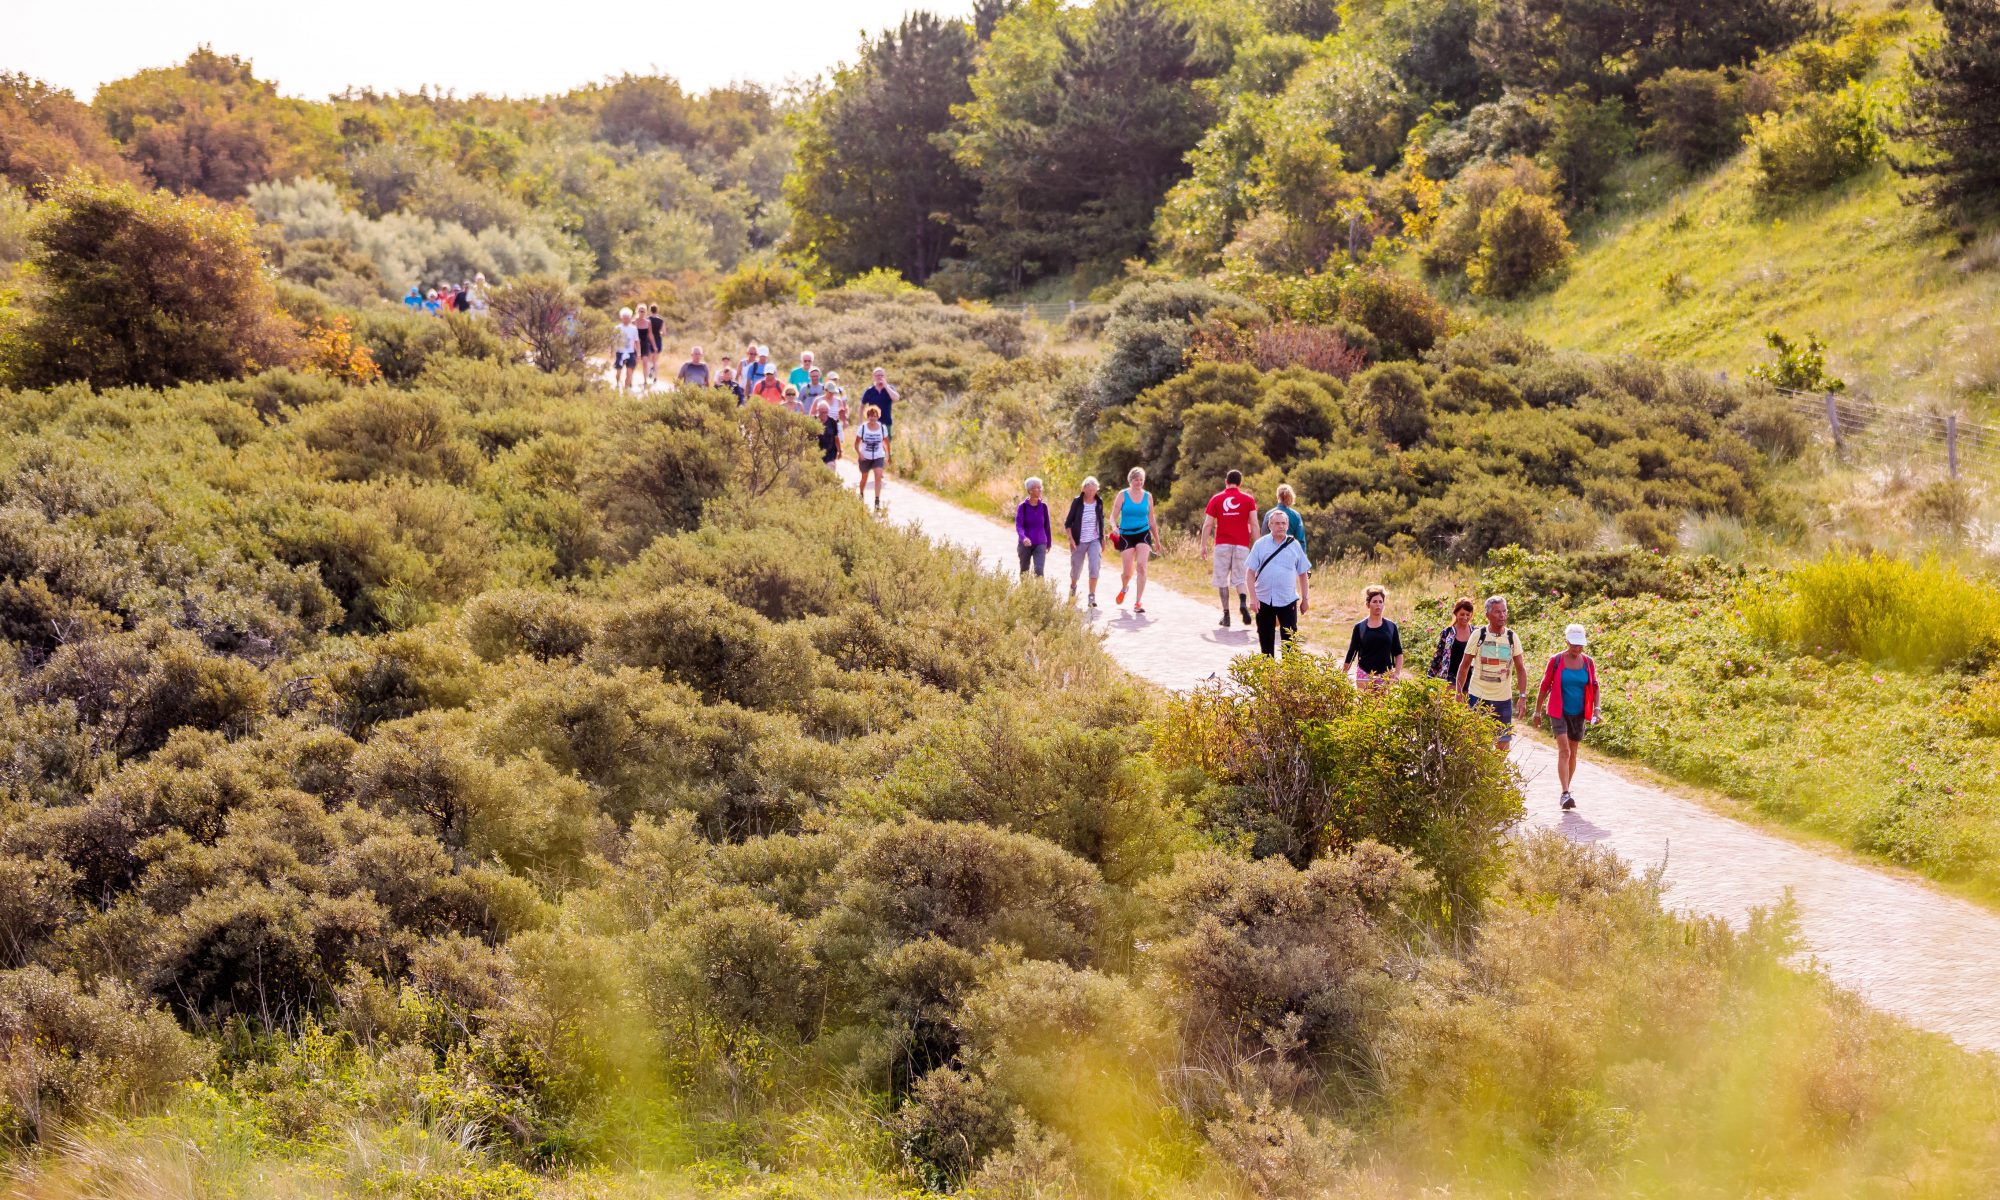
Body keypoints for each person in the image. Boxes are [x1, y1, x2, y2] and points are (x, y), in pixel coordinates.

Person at [1536, 624, 1600, 810]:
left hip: (1579, 712)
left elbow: (1595, 687)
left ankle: (1566, 790)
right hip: (1559, 710)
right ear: (1567, 642)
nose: (1577, 648)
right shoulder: (1556, 660)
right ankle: (1565, 793)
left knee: (1573, 752)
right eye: (1573, 645)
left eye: (1580, 645)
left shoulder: (1588, 662)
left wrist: (1597, 709)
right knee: (1564, 750)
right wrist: (1537, 711)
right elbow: (1545, 686)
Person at [1454, 594, 1529, 751]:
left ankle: (1495, 775)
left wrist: (1522, 697)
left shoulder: (1511, 637)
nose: (1502, 615)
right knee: (1477, 743)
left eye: (1504, 611)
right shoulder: (1478, 635)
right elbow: (1465, 665)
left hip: (1503, 700)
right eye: (1497, 612)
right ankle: (1479, 775)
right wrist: (1459, 694)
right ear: (1487, 615)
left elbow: (1521, 669)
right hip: (1478, 697)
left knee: (1503, 745)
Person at [1246, 510, 1312, 657]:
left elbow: (1303, 573)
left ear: (1287, 525)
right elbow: (1250, 573)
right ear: (1270, 525)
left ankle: (1289, 677)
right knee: (1266, 644)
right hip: (1264, 600)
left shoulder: (1294, 545)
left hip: (1287, 600)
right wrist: (1253, 598)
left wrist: (1305, 599)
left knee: (1290, 644)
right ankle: (1269, 677)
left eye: (1283, 523)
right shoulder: (1260, 545)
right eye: (1277, 523)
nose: (1281, 526)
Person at [1201, 470, 1259, 628]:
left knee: (1222, 580)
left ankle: (1226, 615)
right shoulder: (1248, 499)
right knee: (1240, 578)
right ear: (1240, 483)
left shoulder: (1217, 498)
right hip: (1242, 544)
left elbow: (1208, 524)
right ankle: (1242, 602)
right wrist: (1258, 545)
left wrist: (1203, 545)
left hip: (1222, 544)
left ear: (1226, 481)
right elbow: (1254, 523)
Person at [1111, 467, 1158, 614]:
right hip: (1126, 535)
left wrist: (1157, 540)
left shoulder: (1148, 496)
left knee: (1142, 566)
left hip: (1143, 533)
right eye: (1136, 479)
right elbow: (1113, 516)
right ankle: (1125, 588)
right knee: (1127, 572)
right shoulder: (1122, 495)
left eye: (1141, 480)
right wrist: (1114, 527)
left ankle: (1138, 602)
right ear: (1130, 480)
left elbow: (1151, 519)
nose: (1139, 482)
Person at [1343, 584, 1403, 684]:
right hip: (1364, 674)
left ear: (1384, 604)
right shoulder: (1359, 627)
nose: (1378, 604)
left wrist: (1396, 673)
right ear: (1368, 604)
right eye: (1374, 602)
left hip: (1385, 676)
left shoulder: (1391, 627)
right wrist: (1343, 674)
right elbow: (1352, 653)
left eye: (1381, 602)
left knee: (1384, 700)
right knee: (1364, 700)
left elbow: (1398, 653)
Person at [1063, 476, 1106, 608]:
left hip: (1094, 539)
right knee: (1076, 568)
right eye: (1089, 490)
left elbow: (1101, 521)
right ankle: (1073, 587)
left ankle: (1091, 596)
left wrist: (1102, 538)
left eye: (1094, 490)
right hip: (1079, 540)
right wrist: (1071, 540)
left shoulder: (1099, 502)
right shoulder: (1077, 502)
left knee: (1094, 566)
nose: (1091, 493)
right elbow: (1068, 523)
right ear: (1084, 489)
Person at [1427, 597, 1477, 681]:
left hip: (1470, 678)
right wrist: (1430, 677)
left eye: (1468, 614)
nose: (1465, 617)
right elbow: (1439, 655)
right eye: (1462, 614)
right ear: (1456, 613)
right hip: (1450, 676)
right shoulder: (1447, 632)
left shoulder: (1475, 633)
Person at [1015, 477, 1053, 578]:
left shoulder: (1044, 506)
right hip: (1025, 544)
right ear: (1030, 490)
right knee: (1024, 571)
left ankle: (1039, 593)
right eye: (1037, 488)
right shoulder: (1022, 507)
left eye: (1040, 487)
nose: (1040, 490)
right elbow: (1019, 526)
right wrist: (1024, 538)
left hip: (1040, 543)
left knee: (1039, 571)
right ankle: (1025, 592)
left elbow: (1047, 526)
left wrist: (1049, 543)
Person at [854, 404, 890, 511]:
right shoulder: (863, 428)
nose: (872, 417)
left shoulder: (882, 428)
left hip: (878, 456)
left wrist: (888, 455)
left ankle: (877, 500)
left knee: (878, 475)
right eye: (870, 415)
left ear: (878, 416)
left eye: (874, 415)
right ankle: (861, 494)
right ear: (867, 416)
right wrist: (860, 454)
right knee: (864, 478)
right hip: (865, 457)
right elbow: (856, 444)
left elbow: (887, 443)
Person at [1270, 483, 1308, 559]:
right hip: (1291, 556)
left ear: (1278, 496)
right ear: (1291, 497)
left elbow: (1264, 536)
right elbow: (1301, 540)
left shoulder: (1269, 514)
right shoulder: (1296, 515)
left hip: (1271, 556)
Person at [862, 367, 898, 439]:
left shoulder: (889, 388)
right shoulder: (869, 391)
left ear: (885, 377)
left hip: (886, 423)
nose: (880, 377)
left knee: (886, 447)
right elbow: (862, 406)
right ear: (873, 377)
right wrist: (861, 422)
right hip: (872, 423)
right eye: (877, 375)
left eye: (882, 375)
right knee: (873, 445)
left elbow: (896, 398)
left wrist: (886, 386)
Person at [613, 307, 640, 392]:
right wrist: (612, 351)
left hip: (630, 352)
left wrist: (638, 353)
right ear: (621, 318)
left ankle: (626, 389)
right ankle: (617, 384)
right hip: (620, 352)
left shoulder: (634, 329)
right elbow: (613, 340)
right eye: (624, 317)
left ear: (630, 318)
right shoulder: (617, 328)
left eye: (628, 317)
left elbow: (637, 341)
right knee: (618, 372)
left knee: (629, 372)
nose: (626, 319)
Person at [634, 303, 658, 387]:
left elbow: (650, 335)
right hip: (635, 344)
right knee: (635, 363)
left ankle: (645, 381)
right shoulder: (634, 322)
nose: (642, 312)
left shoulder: (648, 322)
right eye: (640, 311)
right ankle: (630, 379)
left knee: (645, 363)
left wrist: (654, 346)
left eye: (643, 311)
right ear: (637, 311)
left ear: (646, 312)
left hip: (645, 344)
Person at [814, 399, 841, 464]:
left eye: (825, 412)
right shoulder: (813, 421)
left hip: (830, 455)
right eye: (821, 412)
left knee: (829, 473)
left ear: (828, 411)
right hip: (815, 455)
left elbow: (836, 437)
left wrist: (840, 451)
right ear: (818, 411)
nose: (823, 414)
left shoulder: (832, 422)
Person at [646, 305, 666, 384]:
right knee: (655, 360)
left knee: (649, 359)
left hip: (649, 341)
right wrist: (659, 333)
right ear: (657, 310)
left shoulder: (647, 319)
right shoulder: (661, 320)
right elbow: (664, 333)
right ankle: (656, 377)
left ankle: (650, 372)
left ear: (650, 310)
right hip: (658, 340)